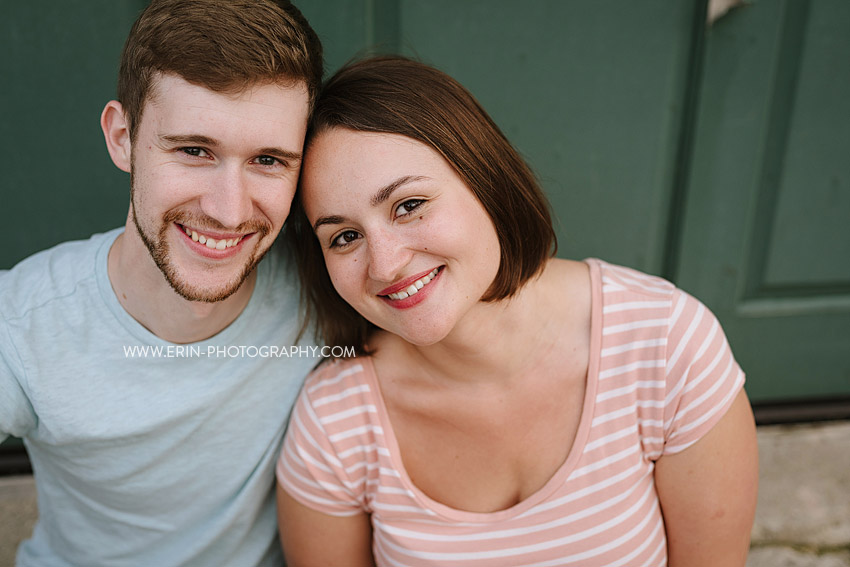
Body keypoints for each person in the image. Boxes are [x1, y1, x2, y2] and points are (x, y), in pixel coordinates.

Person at [276, 56, 759, 567]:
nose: (385, 264)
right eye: (345, 236)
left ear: (485, 179)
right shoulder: (336, 423)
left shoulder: (666, 346)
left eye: (409, 204)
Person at [0, 1, 323, 565]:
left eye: (268, 160)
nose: (228, 211)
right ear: (122, 136)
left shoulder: (330, 287)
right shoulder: (25, 325)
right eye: (194, 151)